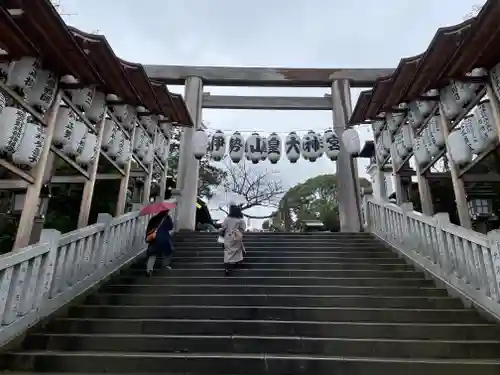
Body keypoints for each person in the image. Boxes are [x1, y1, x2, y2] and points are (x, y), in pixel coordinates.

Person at [145, 210, 174, 276]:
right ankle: (165, 265)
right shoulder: (167, 218)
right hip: (163, 238)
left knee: (153, 254)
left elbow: (149, 229)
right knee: (167, 252)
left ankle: (149, 269)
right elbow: (171, 227)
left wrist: (148, 237)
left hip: (154, 239)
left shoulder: (154, 219)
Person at [220, 204, 246, 276]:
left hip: (228, 237)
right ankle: (237, 263)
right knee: (237, 251)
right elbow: (243, 229)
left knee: (227, 252)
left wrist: (221, 240)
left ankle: (227, 268)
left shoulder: (227, 219)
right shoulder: (241, 220)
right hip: (236, 237)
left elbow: (223, 228)